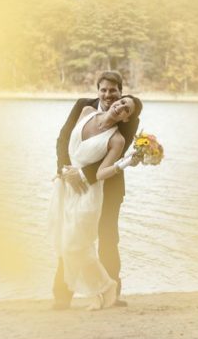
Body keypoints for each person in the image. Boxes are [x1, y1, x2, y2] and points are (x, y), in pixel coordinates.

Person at [51, 72, 140, 309]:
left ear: (121, 91)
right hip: (70, 184)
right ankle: (62, 297)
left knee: (109, 239)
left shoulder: (129, 119)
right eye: (104, 90)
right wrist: (64, 171)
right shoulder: (84, 107)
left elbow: (116, 156)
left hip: (107, 187)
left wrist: (80, 175)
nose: (109, 95)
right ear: (98, 90)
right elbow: (63, 138)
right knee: (68, 236)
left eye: (114, 91)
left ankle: (112, 293)